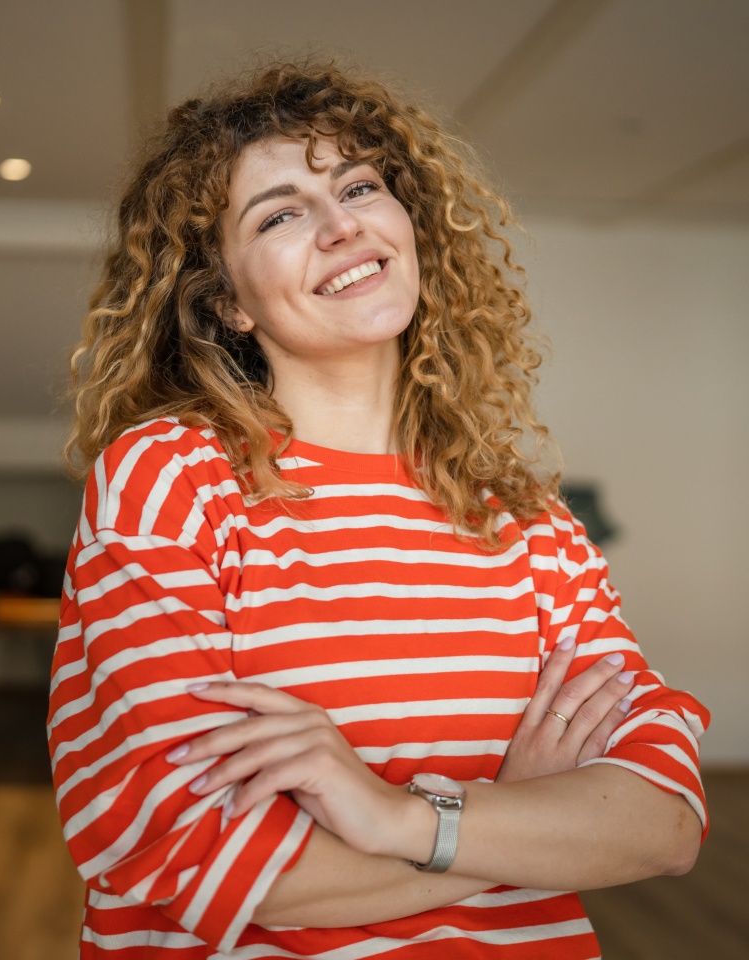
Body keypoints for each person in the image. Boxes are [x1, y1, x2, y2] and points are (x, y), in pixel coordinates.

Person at [47, 61, 709, 960]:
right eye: (279, 213)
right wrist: (509, 818)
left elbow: (662, 821)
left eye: (359, 186)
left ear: (411, 227)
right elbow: (214, 866)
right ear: (229, 302)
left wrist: (400, 817)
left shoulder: (528, 521)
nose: (340, 224)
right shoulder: (175, 480)